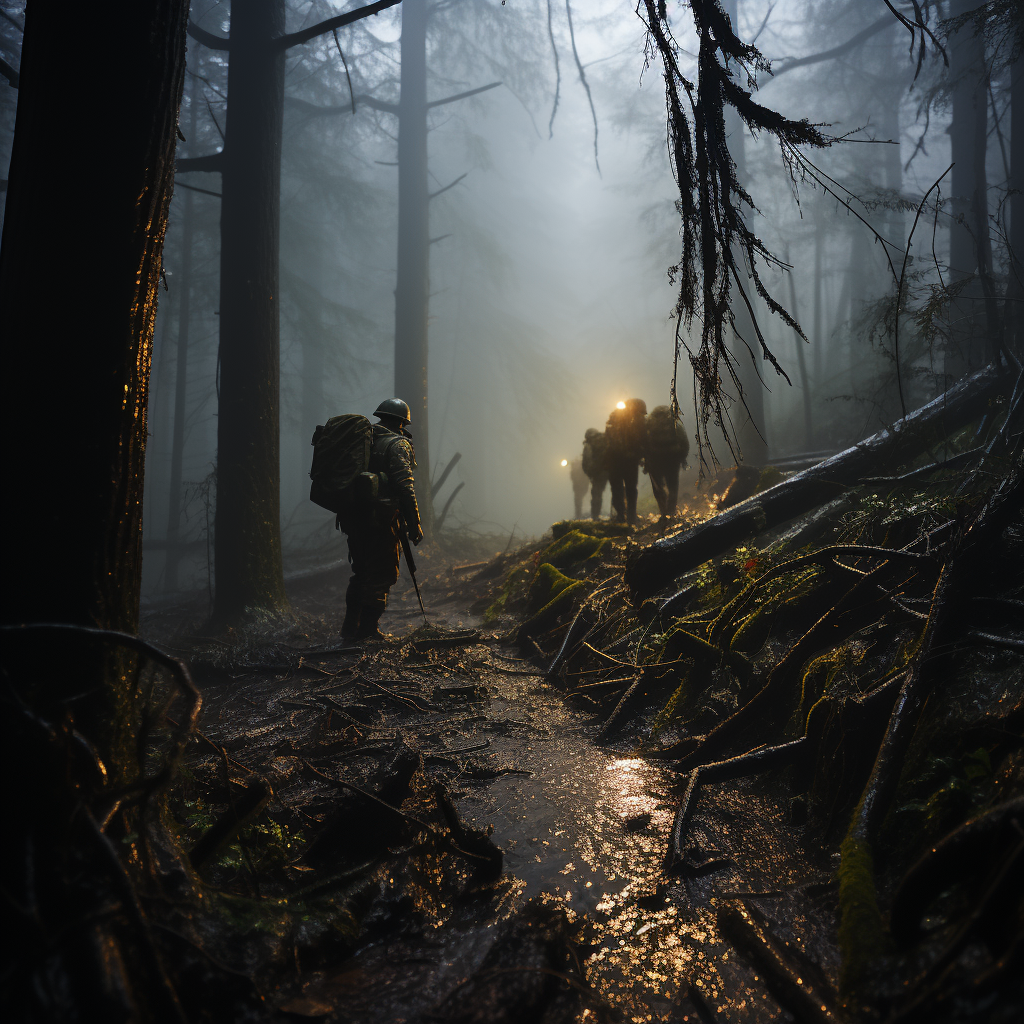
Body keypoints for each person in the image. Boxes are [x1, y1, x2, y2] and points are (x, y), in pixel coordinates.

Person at [339, 398, 422, 639]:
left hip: (353, 518)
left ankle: (349, 629)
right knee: (383, 574)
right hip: (381, 521)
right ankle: (367, 631)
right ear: (401, 421)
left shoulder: (364, 440)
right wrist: (415, 523)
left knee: (361, 572)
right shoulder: (398, 445)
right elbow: (405, 487)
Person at [606, 398, 647, 525]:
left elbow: (607, 441)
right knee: (631, 489)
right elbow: (643, 440)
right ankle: (631, 517)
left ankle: (620, 516)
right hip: (630, 461)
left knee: (617, 489)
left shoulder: (613, 420)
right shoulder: (638, 421)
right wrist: (642, 457)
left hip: (614, 462)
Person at [644, 405, 690, 517]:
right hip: (672, 459)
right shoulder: (673, 422)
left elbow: (643, 442)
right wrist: (682, 457)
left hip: (655, 460)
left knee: (658, 488)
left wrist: (646, 459)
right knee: (673, 486)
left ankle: (664, 512)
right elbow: (684, 441)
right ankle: (671, 512)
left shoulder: (649, 423)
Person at [580, 427, 608, 519]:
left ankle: (595, 517)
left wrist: (591, 474)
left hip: (597, 473)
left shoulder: (588, 445)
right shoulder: (605, 439)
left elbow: (586, 462)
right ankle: (621, 516)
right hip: (609, 469)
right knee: (617, 491)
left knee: (596, 495)